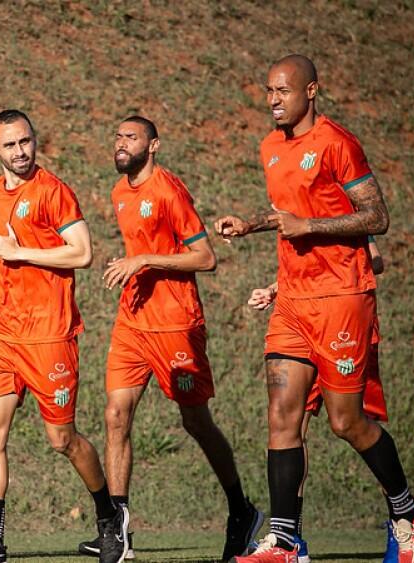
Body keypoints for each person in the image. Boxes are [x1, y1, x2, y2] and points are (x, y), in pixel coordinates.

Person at [214, 55, 414, 563]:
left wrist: (310, 226)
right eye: (268, 91)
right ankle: (286, 542)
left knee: (345, 421)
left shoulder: (337, 142)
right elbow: (289, 214)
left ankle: (408, 514)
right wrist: (252, 225)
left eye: (283, 91)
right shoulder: (270, 147)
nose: (273, 100)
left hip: (342, 297)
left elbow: (376, 216)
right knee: (280, 415)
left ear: (311, 91)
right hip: (293, 300)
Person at [80, 116, 261, 563]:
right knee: (116, 415)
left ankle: (241, 510)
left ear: (154, 145)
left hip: (176, 324)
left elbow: (205, 257)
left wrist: (142, 260)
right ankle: (118, 527)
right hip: (133, 321)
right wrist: (132, 264)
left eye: (131, 137)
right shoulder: (121, 192)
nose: (121, 144)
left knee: (195, 422)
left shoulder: (169, 191)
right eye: (118, 136)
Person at [0, 110, 117, 563]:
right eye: (10, 145)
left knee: (62, 440)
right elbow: (4, 239)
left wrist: (18, 251)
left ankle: (108, 518)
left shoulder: (54, 191)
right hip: (2, 332)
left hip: (49, 334)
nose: (20, 151)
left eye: (25, 141)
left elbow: (82, 252)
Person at [247, 239, 399, 563]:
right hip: (305, 322)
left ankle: (404, 520)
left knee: (353, 425)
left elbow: (374, 260)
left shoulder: (338, 206)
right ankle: (289, 538)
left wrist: (335, 286)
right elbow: (307, 267)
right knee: (291, 427)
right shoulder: (296, 212)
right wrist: (278, 288)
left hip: (344, 322)